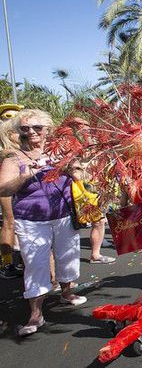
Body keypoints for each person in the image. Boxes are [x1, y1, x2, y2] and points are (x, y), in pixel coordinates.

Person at [0, 109, 87, 336]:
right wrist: (24, 177)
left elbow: (82, 177)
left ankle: (67, 292)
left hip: (64, 215)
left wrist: (73, 170)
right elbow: (3, 188)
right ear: (18, 131)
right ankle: (36, 313)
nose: (32, 132)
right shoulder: (14, 157)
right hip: (31, 221)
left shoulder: (62, 152)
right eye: (25, 128)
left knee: (67, 256)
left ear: (48, 129)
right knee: (36, 264)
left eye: (37, 127)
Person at [68, 159, 115, 264]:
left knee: (99, 221)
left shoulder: (95, 155)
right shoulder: (72, 155)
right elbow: (76, 174)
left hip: (92, 191)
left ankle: (95, 254)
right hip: (78, 192)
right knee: (73, 225)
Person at [0, 118, 23, 279]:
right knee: (10, 222)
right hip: (8, 190)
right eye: (19, 131)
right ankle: (7, 263)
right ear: (9, 134)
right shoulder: (7, 153)